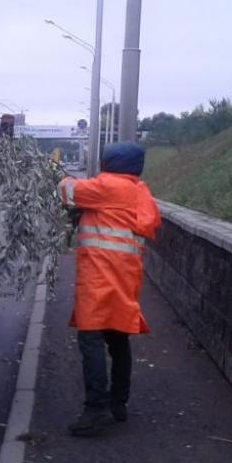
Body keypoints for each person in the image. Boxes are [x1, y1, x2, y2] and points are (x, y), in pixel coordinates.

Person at [57, 142, 162, 436]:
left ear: (110, 162)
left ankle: (96, 409)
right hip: (125, 278)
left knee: (90, 340)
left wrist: (62, 176)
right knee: (118, 339)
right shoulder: (138, 190)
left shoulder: (108, 187)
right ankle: (118, 403)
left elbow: (67, 192)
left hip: (99, 279)